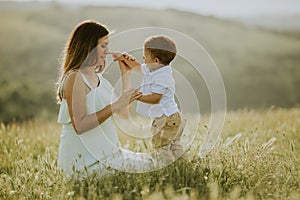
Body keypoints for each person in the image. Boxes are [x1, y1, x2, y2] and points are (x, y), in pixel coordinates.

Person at [56, 20, 153, 176]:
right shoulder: (75, 78)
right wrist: (116, 104)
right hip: (84, 163)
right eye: (103, 46)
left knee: (154, 163)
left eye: (107, 45)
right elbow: (80, 125)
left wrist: (125, 74)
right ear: (88, 47)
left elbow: (123, 114)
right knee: (148, 170)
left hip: (109, 155)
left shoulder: (100, 80)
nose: (107, 51)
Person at [112, 35, 186, 163]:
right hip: (174, 117)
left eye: (145, 56)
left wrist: (138, 96)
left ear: (156, 61)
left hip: (166, 119)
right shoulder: (157, 69)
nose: (143, 59)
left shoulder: (163, 76)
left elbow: (155, 98)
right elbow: (138, 67)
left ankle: (167, 167)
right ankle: (182, 165)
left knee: (161, 146)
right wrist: (124, 57)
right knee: (174, 144)